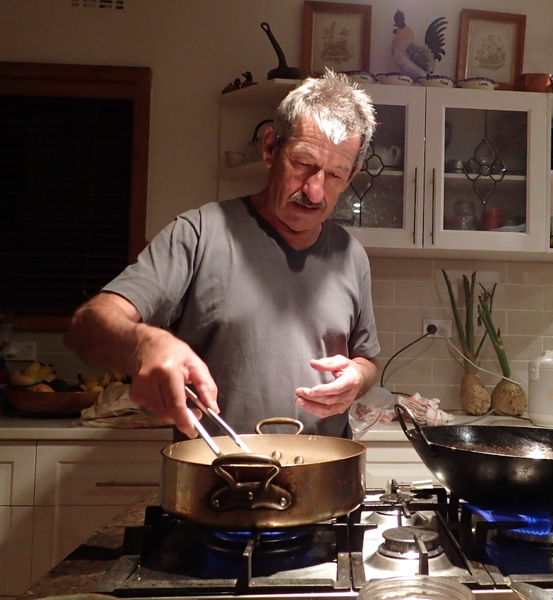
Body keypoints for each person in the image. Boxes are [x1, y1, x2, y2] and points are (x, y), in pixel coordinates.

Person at [64, 70, 380, 440]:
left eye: (335, 176)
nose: (314, 191)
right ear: (270, 148)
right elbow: (87, 326)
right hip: (217, 469)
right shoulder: (199, 234)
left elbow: (367, 360)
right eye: (302, 163)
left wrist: (359, 377)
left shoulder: (351, 255)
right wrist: (146, 344)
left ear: (352, 175)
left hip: (325, 471)